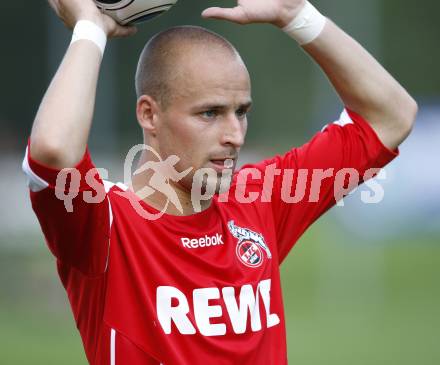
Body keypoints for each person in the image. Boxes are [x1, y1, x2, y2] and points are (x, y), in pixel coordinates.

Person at [22, 0, 417, 364]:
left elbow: (391, 116)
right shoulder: (103, 227)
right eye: (209, 113)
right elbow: (53, 148)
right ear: (149, 115)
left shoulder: (260, 199)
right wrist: (89, 29)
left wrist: (298, 16)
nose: (235, 134)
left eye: (241, 111)